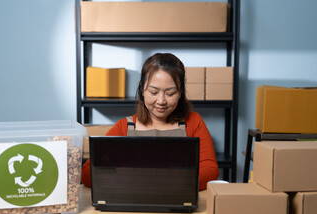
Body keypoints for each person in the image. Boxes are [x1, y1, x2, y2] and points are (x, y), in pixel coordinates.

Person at [81, 53, 219, 190]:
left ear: (180, 92)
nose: (161, 101)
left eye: (170, 93)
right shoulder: (124, 127)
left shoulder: (194, 122)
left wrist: (166, 182)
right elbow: (87, 173)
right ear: (142, 89)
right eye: (153, 92)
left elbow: (211, 171)